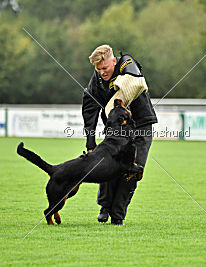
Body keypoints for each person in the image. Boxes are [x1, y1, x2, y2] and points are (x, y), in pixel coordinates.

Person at [82, 44, 157, 225]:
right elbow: (89, 110)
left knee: (133, 169)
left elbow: (135, 74)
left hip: (141, 126)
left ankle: (118, 215)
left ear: (113, 61)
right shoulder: (97, 80)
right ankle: (105, 207)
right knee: (108, 166)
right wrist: (90, 144)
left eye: (105, 68)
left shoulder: (125, 62)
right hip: (116, 129)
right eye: (98, 69)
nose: (102, 72)